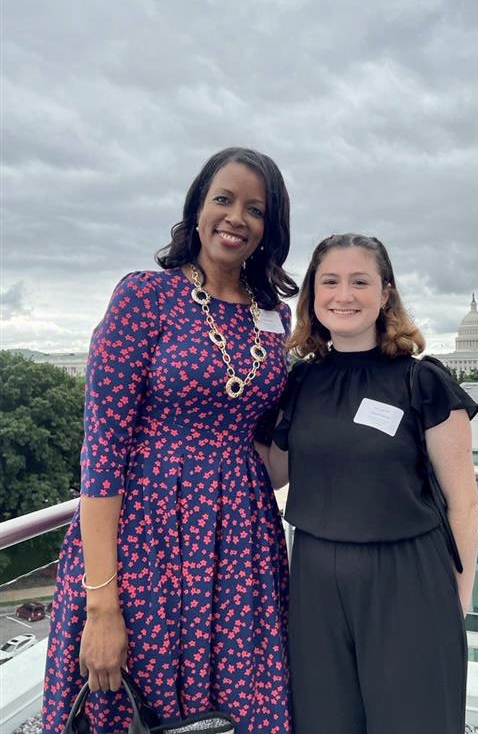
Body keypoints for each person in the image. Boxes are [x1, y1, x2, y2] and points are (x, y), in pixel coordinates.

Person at [42, 147, 298, 734]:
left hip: (240, 545)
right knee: (138, 700)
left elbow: (270, 442)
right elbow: (101, 453)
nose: (236, 218)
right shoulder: (144, 297)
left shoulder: (275, 318)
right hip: (145, 539)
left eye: (255, 209)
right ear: (198, 207)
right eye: (224, 199)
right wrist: (101, 604)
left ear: (270, 228)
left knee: (238, 706)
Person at [266, 233, 478, 734]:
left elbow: (464, 501)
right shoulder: (299, 382)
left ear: (385, 294)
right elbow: (274, 471)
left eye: (360, 282)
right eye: (330, 282)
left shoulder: (423, 381)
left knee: (413, 721)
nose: (344, 295)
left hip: (407, 575)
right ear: (313, 296)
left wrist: (458, 599)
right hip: (314, 575)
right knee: (322, 721)